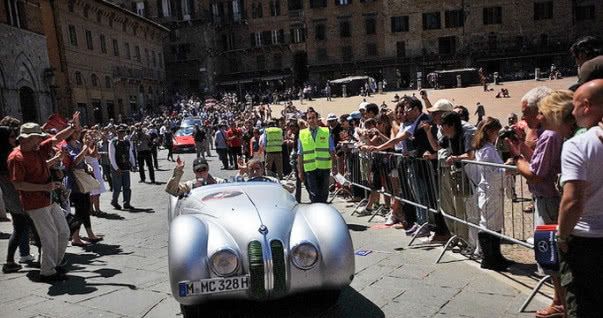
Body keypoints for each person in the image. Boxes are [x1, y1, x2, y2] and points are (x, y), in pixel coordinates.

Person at [508, 90, 576, 318]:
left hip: (549, 200)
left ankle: (560, 302)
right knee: (549, 249)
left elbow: (536, 172)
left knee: (550, 250)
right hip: (548, 198)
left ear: (541, 111)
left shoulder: (549, 136)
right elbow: (539, 161)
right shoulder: (550, 135)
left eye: (527, 112)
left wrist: (517, 160)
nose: (524, 117)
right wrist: (521, 149)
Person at [9, 118, 80, 282]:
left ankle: (54, 264)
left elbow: (57, 138)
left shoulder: (37, 148)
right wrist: (44, 187)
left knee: (63, 232)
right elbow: (18, 184)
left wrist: (71, 127)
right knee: (50, 236)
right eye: (37, 137)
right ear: (26, 138)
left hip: (49, 199)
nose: (41, 140)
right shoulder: (16, 157)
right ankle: (47, 271)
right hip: (35, 204)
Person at [557, 79, 603, 318]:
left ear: (586, 105)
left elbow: (572, 201)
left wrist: (562, 235)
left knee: (582, 307)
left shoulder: (578, 144)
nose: (572, 113)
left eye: (574, 106)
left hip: (586, 239)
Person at [471, 117, 514, 270]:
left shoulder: (487, 147)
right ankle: (489, 258)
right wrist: (507, 167)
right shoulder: (487, 149)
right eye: (496, 131)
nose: (497, 135)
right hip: (490, 189)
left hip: (492, 189)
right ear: (489, 131)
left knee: (494, 223)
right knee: (488, 223)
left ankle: (496, 256)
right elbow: (493, 172)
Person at [1, 125, 34, 273]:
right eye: (12, 137)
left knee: (20, 228)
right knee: (30, 226)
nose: (15, 139)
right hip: (18, 198)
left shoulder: (4, 155)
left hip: (12, 199)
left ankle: (9, 261)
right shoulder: (9, 157)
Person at [64, 130, 103, 247]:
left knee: (86, 207)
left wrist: (88, 166)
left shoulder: (78, 144)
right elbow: (74, 161)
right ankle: (75, 237)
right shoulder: (67, 146)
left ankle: (90, 233)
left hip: (82, 179)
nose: (79, 131)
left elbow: (82, 161)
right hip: (75, 182)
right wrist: (85, 148)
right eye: (77, 130)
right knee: (80, 209)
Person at [297, 109, 335, 203]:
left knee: (324, 194)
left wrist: (334, 166)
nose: (312, 120)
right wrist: (300, 172)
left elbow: (332, 151)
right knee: (314, 194)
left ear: (317, 119)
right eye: (309, 118)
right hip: (310, 169)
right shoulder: (302, 134)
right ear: (307, 120)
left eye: (314, 118)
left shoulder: (326, 132)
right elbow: (300, 155)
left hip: (324, 168)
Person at [108, 125, 137, 210]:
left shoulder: (127, 141)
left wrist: (134, 164)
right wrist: (116, 168)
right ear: (116, 132)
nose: (121, 133)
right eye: (119, 132)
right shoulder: (112, 142)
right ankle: (114, 201)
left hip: (125, 166)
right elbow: (111, 156)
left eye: (122, 132)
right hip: (117, 167)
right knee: (117, 187)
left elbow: (130, 153)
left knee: (127, 186)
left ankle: (126, 203)